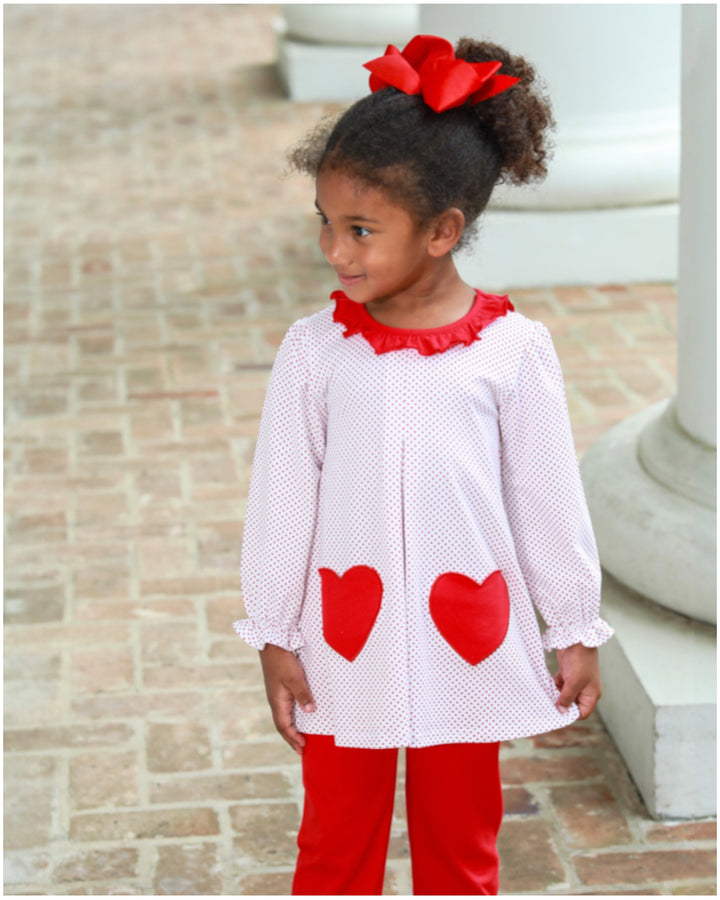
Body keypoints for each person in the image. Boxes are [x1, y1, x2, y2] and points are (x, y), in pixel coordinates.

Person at [233, 34, 614, 896]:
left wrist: (572, 623)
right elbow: (284, 501)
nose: (336, 249)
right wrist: (276, 630)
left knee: (461, 846)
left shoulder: (512, 353)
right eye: (326, 222)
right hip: (345, 634)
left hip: (463, 636)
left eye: (361, 229)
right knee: (333, 844)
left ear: (444, 231)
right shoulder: (315, 353)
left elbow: (546, 498)